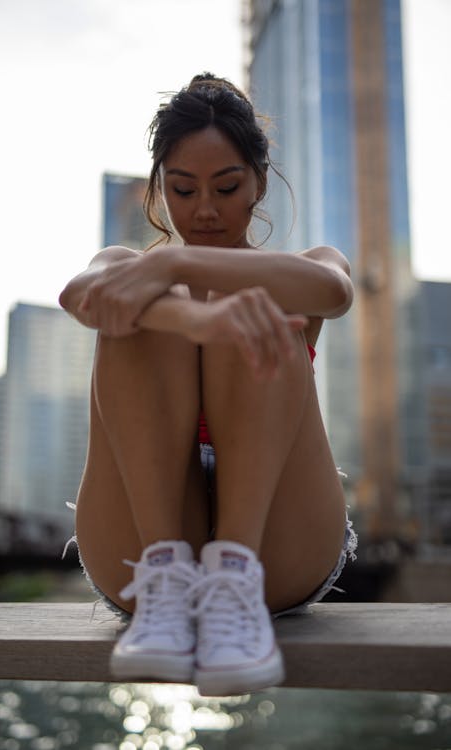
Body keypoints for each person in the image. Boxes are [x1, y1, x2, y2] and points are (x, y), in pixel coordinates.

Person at [59, 73, 357, 696]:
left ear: (258, 184)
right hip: (141, 550)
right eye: (182, 189)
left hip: (278, 546)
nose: (203, 211)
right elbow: (79, 295)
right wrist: (193, 314)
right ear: (159, 189)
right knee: (131, 291)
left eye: (226, 188)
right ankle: (168, 580)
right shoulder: (127, 267)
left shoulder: (306, 267)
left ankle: (234, 578)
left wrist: (177, 262)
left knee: (248, 289)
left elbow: (335, 291)